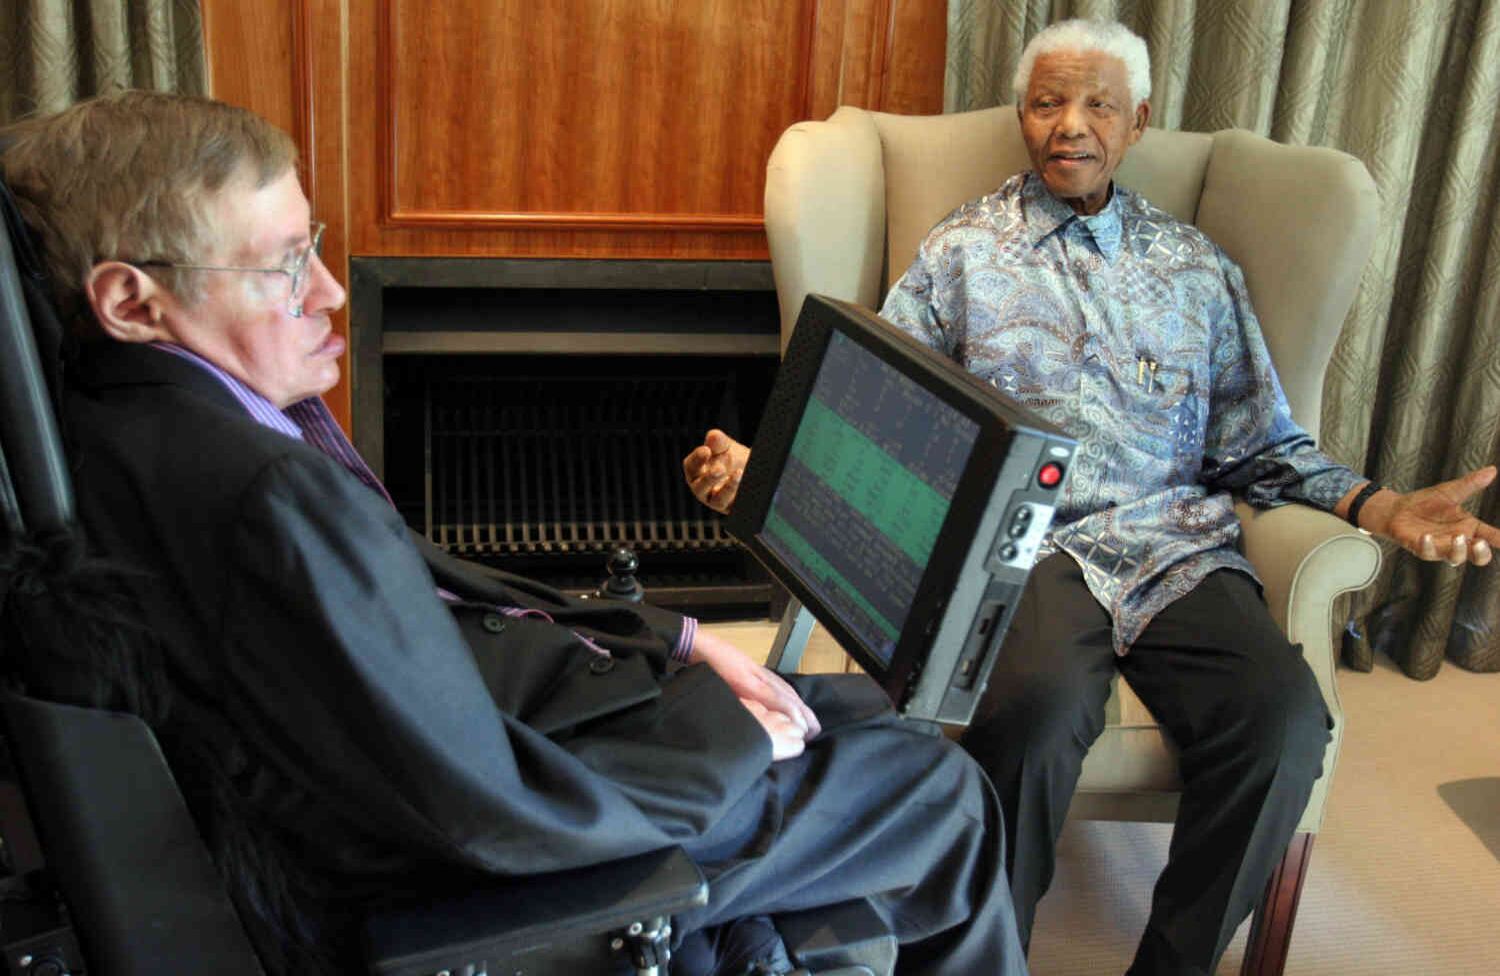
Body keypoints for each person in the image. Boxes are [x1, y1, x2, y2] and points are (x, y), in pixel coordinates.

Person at [0, 91, 1030, 976]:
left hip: (471, 760)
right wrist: (723, 746)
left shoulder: (126, 421)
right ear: (132, 299)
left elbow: (422, 625)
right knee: (938, 784)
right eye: (281, 267)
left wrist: (666, 640)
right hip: (482, 874)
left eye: (313, 246)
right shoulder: (258, 493)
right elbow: (479, 812)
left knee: (848, 708)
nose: (330, 292)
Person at [685, 18, 1500, 976]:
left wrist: (1380, 507)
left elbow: (1264, 446)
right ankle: (981, 955)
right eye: (1047, 102)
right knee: (1028, 713)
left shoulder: (1197, 272)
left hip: (1176, 552)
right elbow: (876, 408)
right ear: (1023, 118)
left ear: (1137, 121)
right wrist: (771, 470)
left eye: (1098, 104)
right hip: (1023, 551)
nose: (1070, 125)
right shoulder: (961, 252)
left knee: (1283, 725)